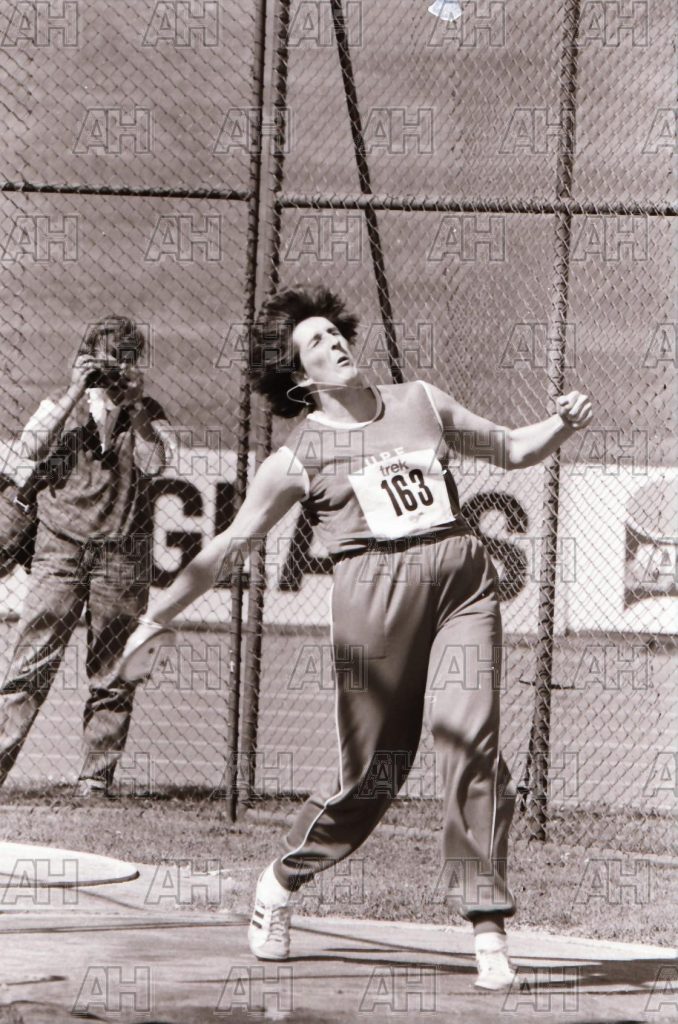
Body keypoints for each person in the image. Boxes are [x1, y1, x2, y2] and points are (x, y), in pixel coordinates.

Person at [123, 285, 593, 989]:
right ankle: (282, 879)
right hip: (373, 602)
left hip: (462, 584)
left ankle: (487, 927)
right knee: (373, 774)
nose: (334, 343)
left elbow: (510, 448)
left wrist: (562, 423)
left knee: (470, 742)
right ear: (297, 374)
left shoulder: (420, 401)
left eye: (334, 332)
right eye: (314, 341)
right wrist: (157, 615)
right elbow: (226, 550)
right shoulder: (296, 458)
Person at [0, 316, 169, 798]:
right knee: (30, 663)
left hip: (121, 553)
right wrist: (76, 389)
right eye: (105, 358)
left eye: (125, 359)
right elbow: (28, 450)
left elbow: (156, 464)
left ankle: (95, 780)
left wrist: (135, 406)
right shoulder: (59, 404)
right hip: (60, 548)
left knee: (113, 673)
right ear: (86, 357)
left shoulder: (147, 412)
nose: (113, 369)